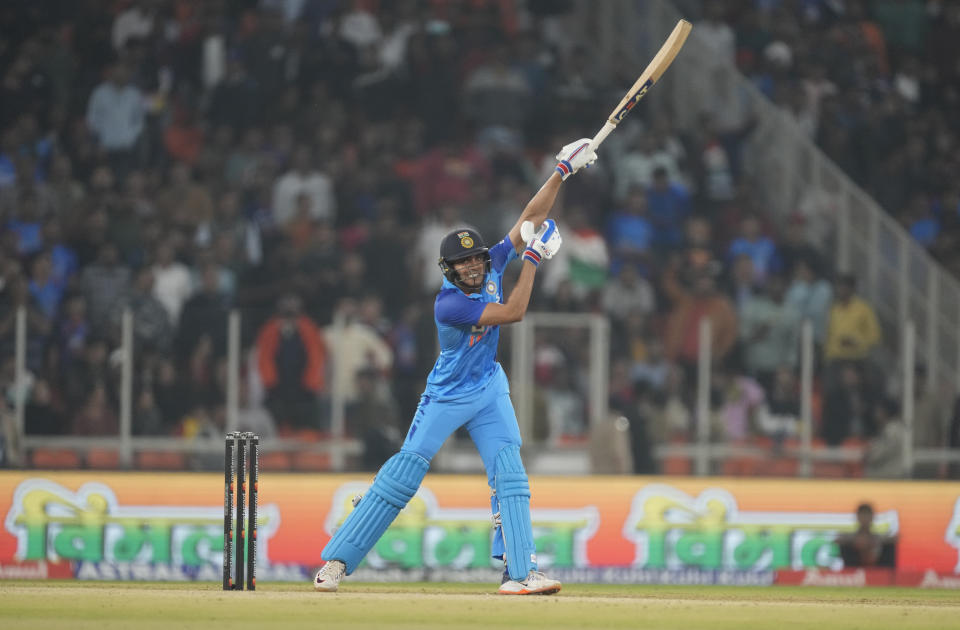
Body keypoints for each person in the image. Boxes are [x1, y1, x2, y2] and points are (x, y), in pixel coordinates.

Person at [313, 138, 597, 595]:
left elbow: (529, 219)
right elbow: (513, 313)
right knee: (403, 477)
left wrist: (561, 170)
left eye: (476, 260)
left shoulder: (490, 269)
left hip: (488, 388)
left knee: (510, 473)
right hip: (446, 395)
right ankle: (337, 562)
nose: (472, 269)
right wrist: (533, 260)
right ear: (448, 270)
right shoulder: (448, 305)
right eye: (462, 264)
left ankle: (519, 573)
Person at [836, 502, 897, 567]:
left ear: (872, 517)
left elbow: (893, 538)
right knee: (846, 546)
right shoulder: (849, 536)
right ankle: (850, 573)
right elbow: (838, 540)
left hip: (877, 567)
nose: (865, 518)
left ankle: (888, 574)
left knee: (889, 546)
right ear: (858, 517)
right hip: (855, 567)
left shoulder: (879, 536)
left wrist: (872, 542)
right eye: (863, 515)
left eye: (867, 515)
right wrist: (855, 541)